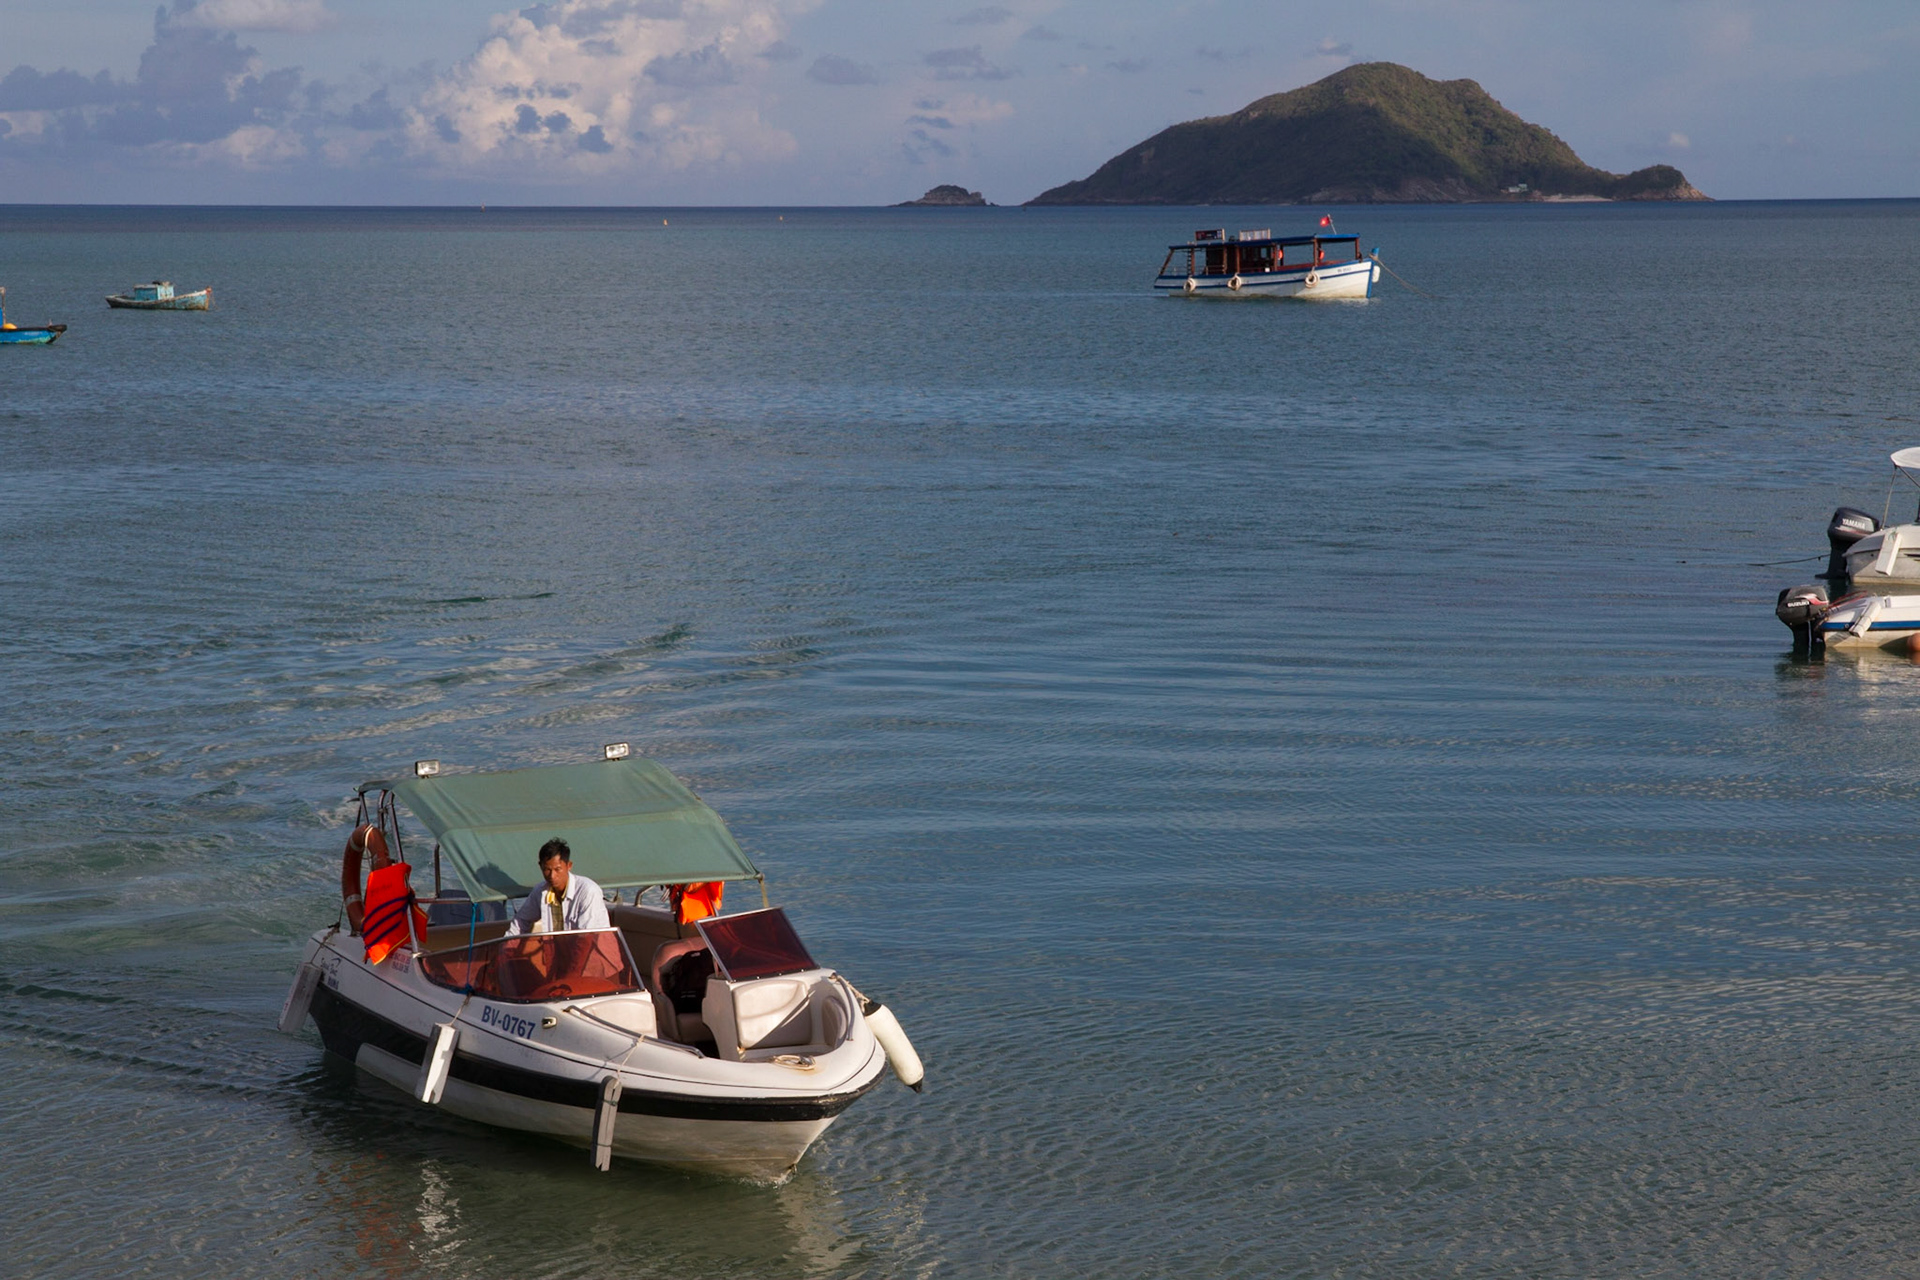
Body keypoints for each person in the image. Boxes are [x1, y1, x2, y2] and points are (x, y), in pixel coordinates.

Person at [506, 837, 611, 935]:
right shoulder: (540, 891)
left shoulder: (588, 891)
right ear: (540, 866)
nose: (552, 876)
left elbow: (586, 938)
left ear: (569, 866)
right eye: (547, 870)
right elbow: (521, 921)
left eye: (557, 869)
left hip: (593, 952)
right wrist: (506, 948)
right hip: (559, 951)